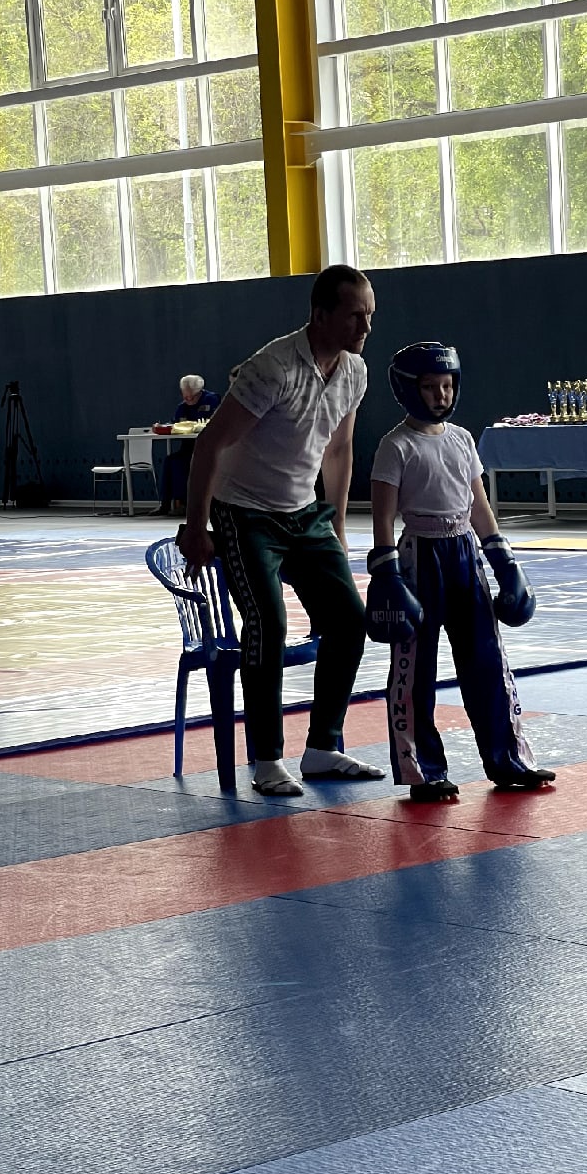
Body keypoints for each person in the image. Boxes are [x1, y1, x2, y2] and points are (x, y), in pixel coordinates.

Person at [179, 264, 385, 797]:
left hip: (304, 512)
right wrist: (196, 525)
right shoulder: (273, 368)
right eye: (355, 316)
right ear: (320, 315)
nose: (366, 327)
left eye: (370, 316)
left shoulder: (355, 372)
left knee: (349, 621)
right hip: (244, 511)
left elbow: (338, 450)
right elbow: (210, 444)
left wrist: (337, 524)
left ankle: (322, 748)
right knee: (267, 624)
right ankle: (266, 758)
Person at [364, 341, 556, 801]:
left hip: (465, 552)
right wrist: (387, 572)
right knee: (415, 669)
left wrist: (504, 560)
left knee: (487, 660)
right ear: (408, 389)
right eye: (431, 386)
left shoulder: (462, 439)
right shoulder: (396, 445)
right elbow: (382, 516)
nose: (441, 395)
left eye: (447, 386)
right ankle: (422, 770)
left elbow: (478, 505)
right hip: (418, 555)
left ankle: (509, 759)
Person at [158, 374, 221, 516]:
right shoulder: (182, 407)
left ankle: (186, 504)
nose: (189, 400)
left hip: (208, 449)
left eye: (192, 397)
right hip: (188, 447)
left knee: (184, 463)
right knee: (170, 461)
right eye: (185, 396)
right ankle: (165, 504)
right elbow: (175, 424)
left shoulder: (212, 400)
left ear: (200, 392)